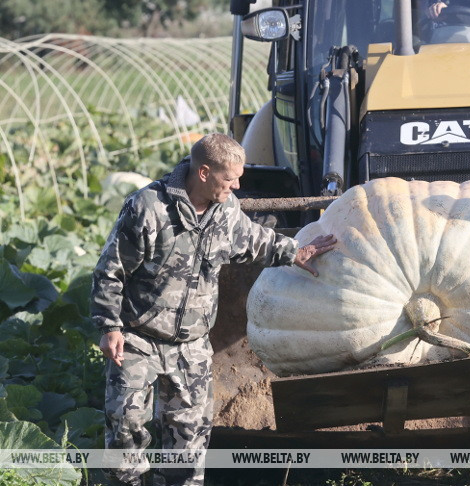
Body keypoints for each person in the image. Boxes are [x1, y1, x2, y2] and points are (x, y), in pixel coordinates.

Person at [91, 133, 336, 486]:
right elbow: (111, 269)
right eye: (230, 178)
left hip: (192, 345)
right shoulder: (148, 208)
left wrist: (296, 251)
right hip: (138, 337)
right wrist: (109, 326)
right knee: (125, 429)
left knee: (189, 438)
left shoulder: (227, 209)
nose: (237, 185)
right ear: (204, 172)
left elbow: (253, 239)